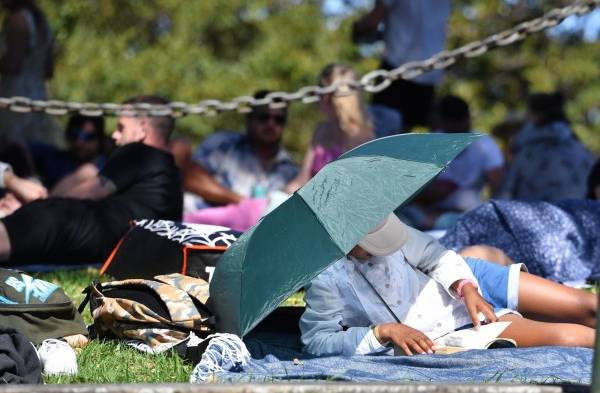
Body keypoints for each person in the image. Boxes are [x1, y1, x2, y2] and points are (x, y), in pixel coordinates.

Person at [300, 213, 596, 356]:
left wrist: (466, 286)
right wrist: (382, 332)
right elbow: (317, 340)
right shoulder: (328, 279)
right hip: (452, 334)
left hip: (464, 291)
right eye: (372, 246)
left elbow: (433, 254)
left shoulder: (388, 225)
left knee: (587, 309)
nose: (384, 249)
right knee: (572, 337)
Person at [0, 95, 183, 266]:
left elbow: (88, 193)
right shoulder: (173, 174)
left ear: (142, 128)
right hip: (107, 248)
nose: (114, 136)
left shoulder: (138, 153)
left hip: (75, 227)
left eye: (121, 128)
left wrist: (33, 205)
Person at [400, 95, 504, 229]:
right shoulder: (430, 144)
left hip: (467, 215)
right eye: (453, 125)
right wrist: (430, 194)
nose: (458, 128)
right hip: (427, 213)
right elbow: (409, 189)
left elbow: (498, 187)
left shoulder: (485, 144)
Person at [352, 0, 450, 130]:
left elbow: (372, 22)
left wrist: (358, 29)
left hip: (396, 71)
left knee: (383, 140)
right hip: (429, 74)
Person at [191, 90, 298, 207]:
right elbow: (190, 177)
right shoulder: (222, 145)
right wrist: (242, 203)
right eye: (264, 117)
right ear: (249, 119)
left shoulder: (291, 170)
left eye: (278, 120)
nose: (270, 124)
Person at [285, 63, 374, 193]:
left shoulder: (361, 138)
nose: (324, 98)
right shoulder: (321, 130)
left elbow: (358, 190)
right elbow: (302, 180)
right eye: (321, 90)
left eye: (329, 92)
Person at [500, 92, 596, 201]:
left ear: (537, 116)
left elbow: (505, 194)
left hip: (531, 216)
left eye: (528, 114)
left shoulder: (526, 151)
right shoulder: (581, 149)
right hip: (575, 215)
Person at [0, 0, 57, 144]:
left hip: (15, 95)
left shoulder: (18, 20)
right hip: (38, 95)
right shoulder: (43, 23)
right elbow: (48, 71)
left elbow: (13, 65)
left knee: (12, 147)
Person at [28, 114, 107, 190]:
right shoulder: (55, 158)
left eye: (88, 137)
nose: (79, 142)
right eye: (75, 134)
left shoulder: (107, 167)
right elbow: (21, 147)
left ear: (100, 139)